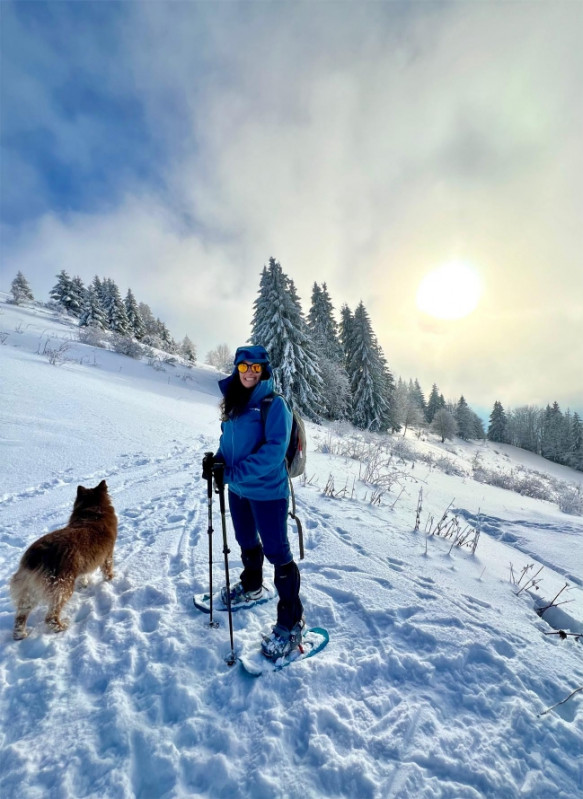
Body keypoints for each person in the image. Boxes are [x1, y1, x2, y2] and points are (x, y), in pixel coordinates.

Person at [202, 345, 304, 660]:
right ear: (237, 369)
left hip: (268, 492)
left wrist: (232, 473)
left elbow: (274, 453)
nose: (250, 373)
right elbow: (228, 444)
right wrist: (217, 463)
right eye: (244, 367)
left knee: (278, 553)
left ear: (264, 371)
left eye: (256, 368)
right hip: (239, 490)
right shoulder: (235, 403)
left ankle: (292, 623)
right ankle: (252, 585)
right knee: (246, 540)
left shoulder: (275, 406)